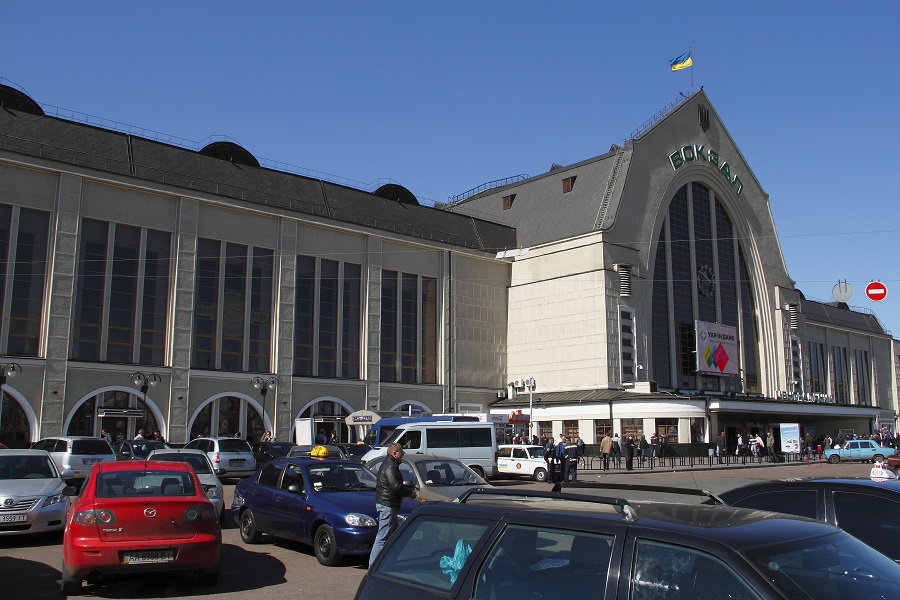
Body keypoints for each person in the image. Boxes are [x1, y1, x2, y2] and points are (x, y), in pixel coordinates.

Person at [370, 443, 416, 568]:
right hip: (387, 505)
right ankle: (373, 567)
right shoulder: (390, 466)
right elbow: (396, 486)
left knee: (395, 535)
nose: (403, 454)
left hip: (388, 504)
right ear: (394, 453)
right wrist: (410, 492)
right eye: (401, 451)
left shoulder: (390, 465)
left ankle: (391, 563)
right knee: (383, 537)